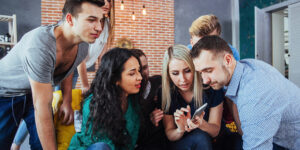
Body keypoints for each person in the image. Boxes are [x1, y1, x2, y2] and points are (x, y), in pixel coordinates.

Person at [0, 0, 105, 149]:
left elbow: (68, 68)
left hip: (34, 90)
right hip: (5, 93)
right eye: (91, 20)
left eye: (101, 20)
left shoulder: (82, 45)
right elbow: (42, 106)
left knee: (43, 144)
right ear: (69, 19)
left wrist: (66, 100)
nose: (99, 27)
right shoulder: (40, 45)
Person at [190, 35, 300, 150]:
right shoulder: (247, 66)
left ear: (228, 60)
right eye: (201, 73)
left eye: (209, 71)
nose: (205, 80)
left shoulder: (255, 95)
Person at [68, 48, 143, 150]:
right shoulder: (94, 104)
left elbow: (130, 143)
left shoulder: (133, 102)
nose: (140, 77)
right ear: (115, 79)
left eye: (139, 71)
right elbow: (98, 145)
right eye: (132, 73)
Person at [161, 45, 224, 150]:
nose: (183, 79)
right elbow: (170, 134)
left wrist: (201, 124)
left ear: (195, 68)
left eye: (187, 71)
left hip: (208, 141)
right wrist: (180, 129)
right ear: (168, 74)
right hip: (180, 142)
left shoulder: (211, 88)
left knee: (201, 137)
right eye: (175, 73)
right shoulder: (166, 92)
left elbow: (215, 131)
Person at [131, 49, 168, 150]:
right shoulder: (129, 96)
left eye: (145, 67)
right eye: (138, 70)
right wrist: (149, 120)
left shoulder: (159, 82)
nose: (142, 73)